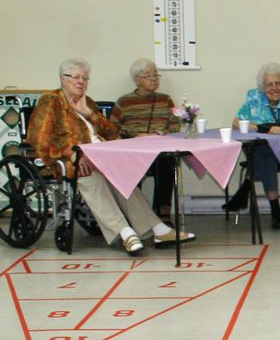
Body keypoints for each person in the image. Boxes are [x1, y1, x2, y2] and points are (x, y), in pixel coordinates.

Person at [27, 59, 194, 255]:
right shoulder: (50, 101)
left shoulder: (88, 102)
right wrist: (69, 153)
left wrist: (89, 114)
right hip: (72, 161)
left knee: (122, 180)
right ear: (62, 79)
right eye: (76, 77)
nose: (81, 82)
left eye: (85, 78)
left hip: (101, 156)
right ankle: (125, 233)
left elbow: (113, 132)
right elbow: (38, 138)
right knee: (92, 178)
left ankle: (158, 230)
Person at [227, 62, 280, 229]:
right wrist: (259, 128)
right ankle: (275, 210)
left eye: (278, 83)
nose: (275, 88)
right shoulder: (254, 98)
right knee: (265, 152)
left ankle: (247, 185)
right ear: (262, 87)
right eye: (270, 84)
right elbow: (235, 123)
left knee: (264, 153)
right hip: (261, 151)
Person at [109, 58, 180, 221]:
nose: (154, 78)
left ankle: (163, 212)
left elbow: (176, 125)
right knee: (128, 164)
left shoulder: (165, 100)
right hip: (134, 149)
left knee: (167, 160)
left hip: (159, 149)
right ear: (137, 80)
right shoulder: (124, 101)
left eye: (156, 74)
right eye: (148, 75)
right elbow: (112, 128)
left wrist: (161, 133)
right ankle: (135, 213)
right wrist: (134, 136)